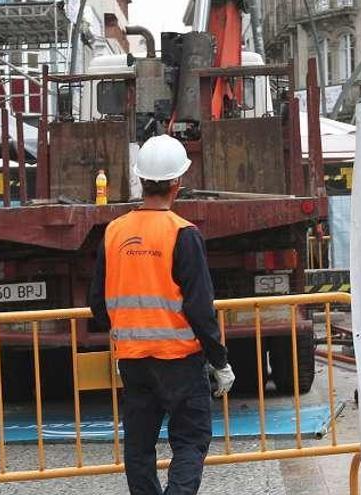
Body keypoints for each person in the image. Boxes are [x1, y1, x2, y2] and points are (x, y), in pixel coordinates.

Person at [89, 135, 236, 495]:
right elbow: (200, 308)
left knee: (139, 447)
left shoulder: (114, 231)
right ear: (177, 184)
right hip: (179, 360)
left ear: (141, 181)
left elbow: (98, 304)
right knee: (190, 440)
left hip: (133, 362)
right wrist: (220, 361)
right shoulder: (183, 234)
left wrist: (128, 327)